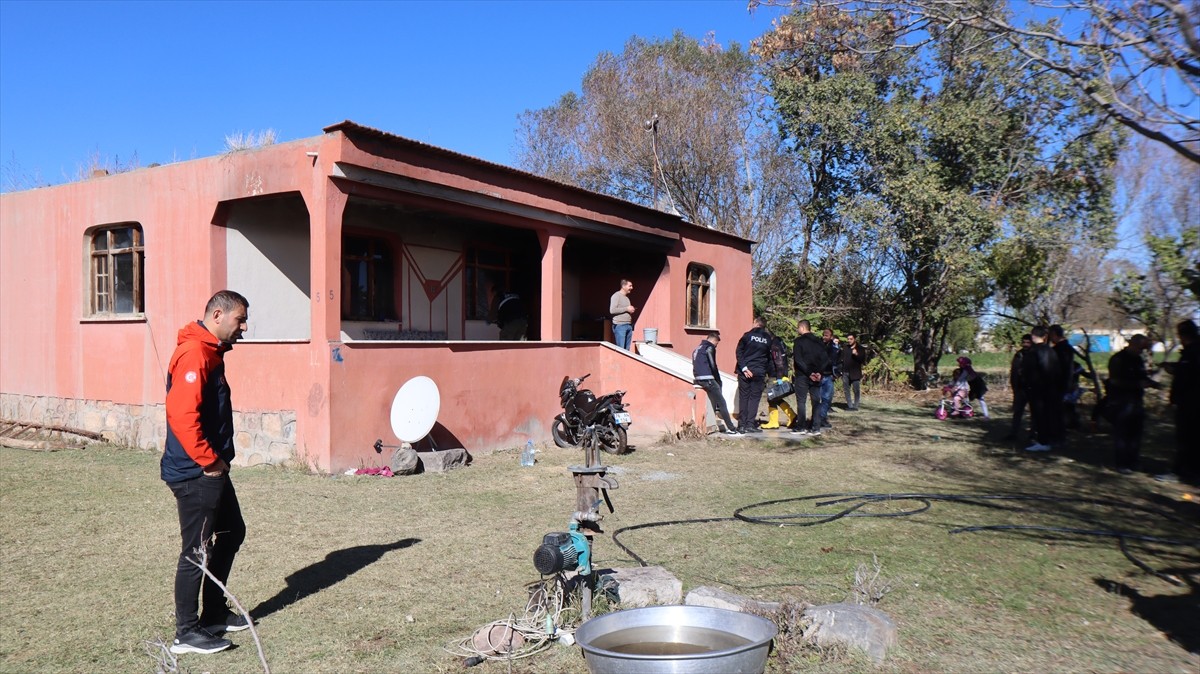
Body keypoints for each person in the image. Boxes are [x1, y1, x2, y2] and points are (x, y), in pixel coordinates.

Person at [162, 290, 252, 655]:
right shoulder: (195, 353)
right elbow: (182, 416)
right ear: (218, 315)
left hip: (210, 468)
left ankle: (214, 612)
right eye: (240, 320)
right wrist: (210, 462)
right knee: (196, 550)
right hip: (195, 472)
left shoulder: (211, 352)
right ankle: (186, 633)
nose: (244, 328)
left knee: (232, 532)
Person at [1105, 334, 1160, 474]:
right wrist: (1136, 384)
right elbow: (1114, 381)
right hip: (1121, 400)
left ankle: (1133, 460)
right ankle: (1122, 463)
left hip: (1136, 400)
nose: (1141, 351)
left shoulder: (1138, 360)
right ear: (1133, 344)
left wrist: (1151, 383)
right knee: (1122, 433)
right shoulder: (1118, 359)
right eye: (1140, 348)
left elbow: (1142, 376)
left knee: (1136, 433)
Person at [1159, 319, 1199, 483]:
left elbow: (1189, 375)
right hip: (1189, 402)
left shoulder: (1194, 352)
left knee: (1187, 438)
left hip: (1191, 403)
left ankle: (1182, 471)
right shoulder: (1190, 352)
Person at [1022, 326, 1064, 452]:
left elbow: (1035, 371)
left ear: (1033, 336)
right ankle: (1049, 439)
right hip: (1050, 388)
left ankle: (1043, 441)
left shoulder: (1035, 351)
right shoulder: (1051, 351)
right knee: (1048, 415)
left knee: (1040, 416)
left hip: (1038, 389)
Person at [692, 331, 741, 436]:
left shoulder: (697, 349)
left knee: (712, 401)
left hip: (698, 378)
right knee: (721, 402)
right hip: (708, 378)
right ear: (713, 340)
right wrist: (718, 380)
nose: (716, 346)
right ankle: (732, 428)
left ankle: (710, 422)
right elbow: (713, 365)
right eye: (716, 344)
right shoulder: (709, 347)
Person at [791, 320, 831, 436]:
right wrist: (819, 372)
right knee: (816, 401)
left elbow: (798, 360)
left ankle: (801, 426)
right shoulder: (819, 342)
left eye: (798, 328)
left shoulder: (798, 341)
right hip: (817, 376)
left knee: (801, 401)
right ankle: (816, 427)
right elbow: (825, 359)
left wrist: (809, 373)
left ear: (802, 328)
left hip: (803, 375)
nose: (798, 330)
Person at [734, 316, 772, 433]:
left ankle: (741, 425)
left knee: (744, 397)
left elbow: (738, 352)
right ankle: (750, 424)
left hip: (745, 371)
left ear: (756, 323)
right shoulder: (768, 339)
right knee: (754, 398)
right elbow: (769, 357)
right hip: (759, 371)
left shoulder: (747, 336)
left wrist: (745, 368)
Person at [761, 333, 797, 430]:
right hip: (779, 373)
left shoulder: (774, 345)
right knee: (776, 398)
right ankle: (792, 415)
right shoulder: (780, 342)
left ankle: (773, 422)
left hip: (775, 375)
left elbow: (779, 360)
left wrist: (779, 377)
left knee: (771, 398)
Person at [1049, 325, 1081, 430]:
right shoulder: (1067, 348)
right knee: (1067, 408)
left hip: (1059, 383)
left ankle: (1060, 430)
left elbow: (1063, 368)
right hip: (1067, 382)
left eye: (1051, 335)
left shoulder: (1059, 350)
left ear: (1054, 334)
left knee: (1060, 410)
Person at [1005, 334, 1033, 441]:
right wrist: (1014, 386)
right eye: (1024, 342)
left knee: (1034, 413)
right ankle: (1013, 433)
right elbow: (1014, 371)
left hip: (1032, 388)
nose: (1025, 344)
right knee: (1017, 412)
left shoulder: (1034, 354)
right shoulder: (1019, 354)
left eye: (1028, 342)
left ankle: (1032, 434)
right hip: (1020, 388)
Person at [817, 328, 838, 428]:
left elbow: (835, 360)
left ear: (831, 336)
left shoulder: (833, 347)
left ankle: (823, 418)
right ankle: (817, 418)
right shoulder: (818, 345)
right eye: (824, 335)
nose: (825, 337)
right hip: (819, 375)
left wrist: (836, 373)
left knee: (826, 399)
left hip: (829, 375)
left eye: (827, 335)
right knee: (818, 398)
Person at [841, 333, 866, 411]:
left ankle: (855, 406)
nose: (849, 340)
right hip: (845, 372)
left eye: (851, 339)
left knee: (856, 390)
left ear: (855, 339)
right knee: (846, 389)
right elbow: (842, 359)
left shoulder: (860, 348)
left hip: (855, 373)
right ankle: (850, 406)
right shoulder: (845, 347)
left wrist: (856, 354)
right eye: (848, 339)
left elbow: (862, 360)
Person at [609, 279, 636, 350]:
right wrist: (627, 309)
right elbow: (612, 310)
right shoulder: (616, 296)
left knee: (627, 350)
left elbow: (625, 309)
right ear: (623, 286)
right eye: (630, 286)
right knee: (621, 350)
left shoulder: (627, 298)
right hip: (620, 326)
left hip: (628, 325)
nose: (632, 288)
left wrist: (630, 310)